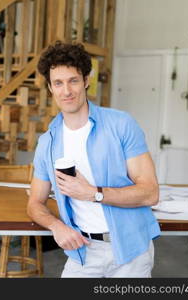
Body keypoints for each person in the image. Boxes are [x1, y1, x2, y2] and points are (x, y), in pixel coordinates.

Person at [27, 41, 160, 278]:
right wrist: (56, 226)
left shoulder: (121, 125)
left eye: (73, 81)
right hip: (84, 251)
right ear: (50, 87)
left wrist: (92, 193)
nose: (66, 91)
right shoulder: (47, 142)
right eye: (58, 83)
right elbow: (35, 203)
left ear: (87, 80)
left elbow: (150, 193)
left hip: (131, 252)